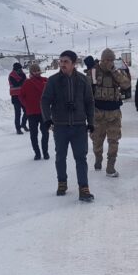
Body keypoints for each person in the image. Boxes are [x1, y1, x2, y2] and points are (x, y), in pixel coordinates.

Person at [41, 50, 95, 202]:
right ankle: (62, 183)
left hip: (79, 126)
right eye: (61, 61)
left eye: (66, 61)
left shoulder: (84, 80)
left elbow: (89, 102)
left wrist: (91, 122)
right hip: (60, 126)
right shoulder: (52, 81)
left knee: (81, 158)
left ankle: (84, 188)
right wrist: (47, 119)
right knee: (60, 157)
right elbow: (45, 101)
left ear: (74, 63)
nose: (62, 64)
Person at [87, 48, 131, 178]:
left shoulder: (116, 72)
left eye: (111, 60)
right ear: (102, 59)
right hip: (98, 113)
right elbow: (87, 90)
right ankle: (98, 158)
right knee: (97, 141)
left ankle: (110, 167)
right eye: (106, 60)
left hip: (114, 113)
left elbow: (126, 84)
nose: (109, 62)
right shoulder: (94, 71)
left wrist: (114, 71)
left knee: (114, 141)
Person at [18, 63, 50, 160]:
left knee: (44, 133)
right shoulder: (29, 83)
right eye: (34, 71)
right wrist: (27, 105)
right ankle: (38, 153)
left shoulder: (46, 81)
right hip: (33, 112)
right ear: (31, 72)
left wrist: (26, 105)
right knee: (35, 134)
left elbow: (21, 96)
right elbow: (21, 96)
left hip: (41, 112)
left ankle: (44, 153)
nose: (36, 72)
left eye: (37, 70)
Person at [8, 62, 29, 134]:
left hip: (23, 96)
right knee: (18, 114)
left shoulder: (23, 74)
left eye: (21, 68)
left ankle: (23, 124)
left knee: (27, 111)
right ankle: (18, 128)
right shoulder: (11, 76)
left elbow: (26, 83)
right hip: (15, 97)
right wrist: (23, 79)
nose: (20, 70)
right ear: (15, 69)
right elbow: (16, 84)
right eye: (19, 69)